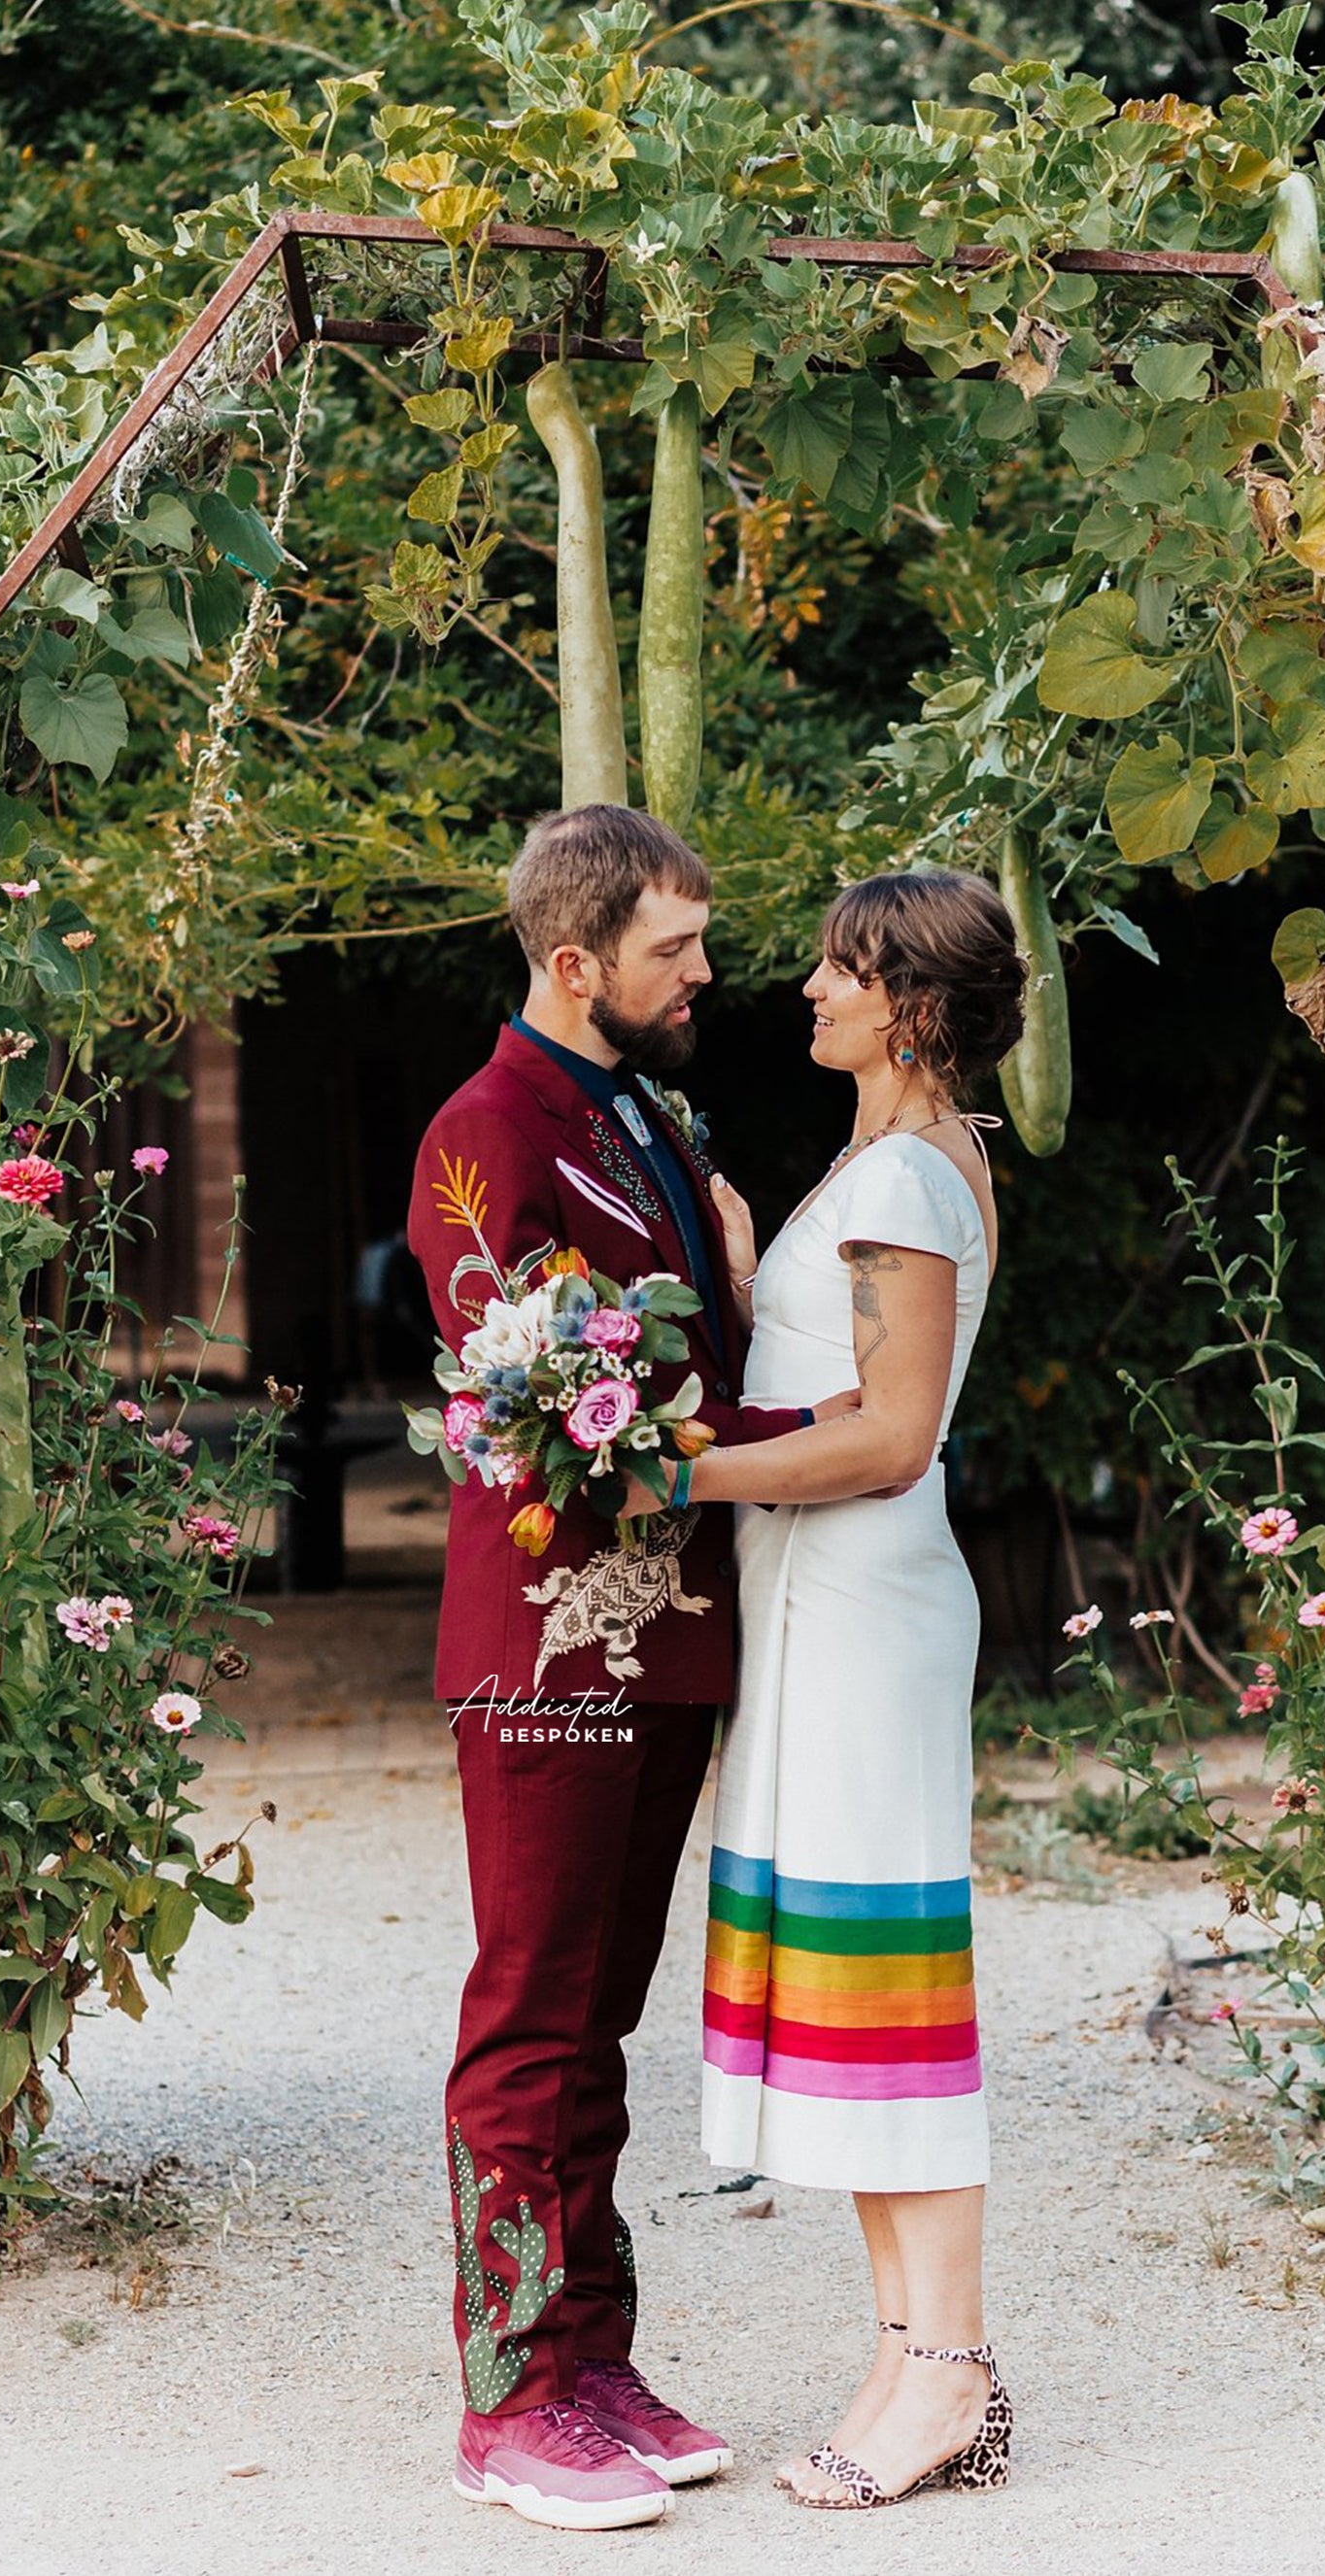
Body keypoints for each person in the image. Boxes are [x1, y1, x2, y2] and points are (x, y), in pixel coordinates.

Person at [406, 804, 852, 2533]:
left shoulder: (641, 1115)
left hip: (665, 1635)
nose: (705, 971)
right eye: (675, 945)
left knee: (595, 2017)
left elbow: (671, 1344)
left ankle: (592, 2355)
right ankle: (508, 2394)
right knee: (530, 2009)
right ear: (575, 960)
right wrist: (823, 1432)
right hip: (543, 1637)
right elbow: (547, 1399)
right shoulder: (486, 1130)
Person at [629, 865, 1026, 2511]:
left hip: (862, 1622)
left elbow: (887, 1434)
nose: (804, 987)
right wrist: (732, 1273)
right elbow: (824, 1379)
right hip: (822, 1617)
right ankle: (904, 2351)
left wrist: (661, 1469)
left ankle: (949, 2373)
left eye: (839, 969)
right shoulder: (893, 1165)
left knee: (893, 2012)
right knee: (856, 2014)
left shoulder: (906, 1188)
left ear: (911, 1004)